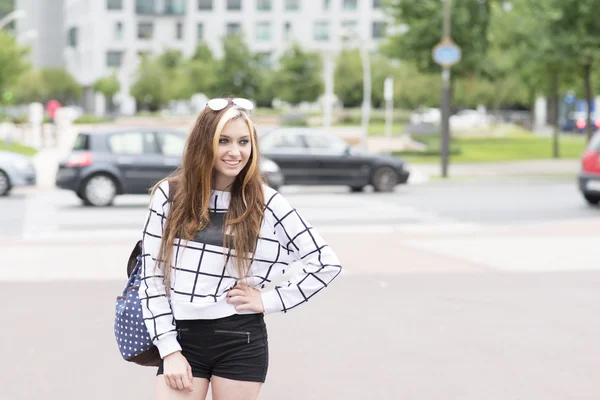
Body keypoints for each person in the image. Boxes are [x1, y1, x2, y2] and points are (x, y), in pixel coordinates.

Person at [139, 97, 343, 400]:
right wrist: (169, 350)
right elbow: (152, 278)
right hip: (181, 336)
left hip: (240, 338)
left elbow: (326, 263)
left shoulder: (265, 201)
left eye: (244, 142)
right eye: (224, 141)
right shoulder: (170, 196)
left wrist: (270, 299)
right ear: (204, 143)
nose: (235, 152)